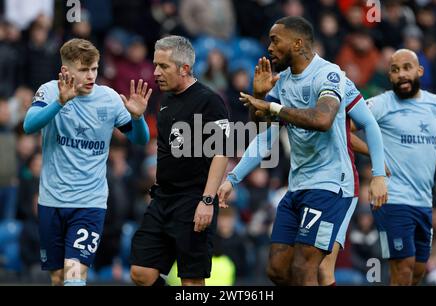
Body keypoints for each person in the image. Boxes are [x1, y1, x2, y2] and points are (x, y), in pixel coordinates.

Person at [235, 16, 388, 285]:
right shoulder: (281, 82)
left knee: (308, 268)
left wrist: (378, 175)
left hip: (332, 184)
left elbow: (325, 120)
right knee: (277, 270)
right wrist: (257, 101)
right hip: (297, 186)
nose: (269, 48)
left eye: (274, 40)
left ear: (297, 43)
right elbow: (263, 134)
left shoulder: (329, 75)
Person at [23, 38, 151, 286]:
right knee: (58, 276)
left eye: (94, 68)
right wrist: (60, 103)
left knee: (74, 273)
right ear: (66, 71)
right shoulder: (50, 91)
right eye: (83, 70)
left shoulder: (109, 99)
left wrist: (137, 118)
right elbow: (29, 126)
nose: (91, 75)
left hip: (89, 203)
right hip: (52, 200)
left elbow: (139, 139)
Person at [129, 35, 229, 286]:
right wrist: (138, 118)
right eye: (155, 65)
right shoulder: (166, 100)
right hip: (163, 199)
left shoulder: (210, 101)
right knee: (141, 273)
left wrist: (207, 200)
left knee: (191, 281)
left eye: (163, 66)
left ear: (184, 68)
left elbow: (220, 153)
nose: (155, 72)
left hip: (194, 198)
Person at [353, 49, 436, 285]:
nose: (401, 74)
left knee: (417, 270)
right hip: (391, 200)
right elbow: (344, 130)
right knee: (402, 267)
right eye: (395, 70)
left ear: (419, 71)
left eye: (407, 68)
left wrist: (434, 156)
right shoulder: (381, 103)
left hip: (423, 202)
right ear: (389, 76)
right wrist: (376, 157)